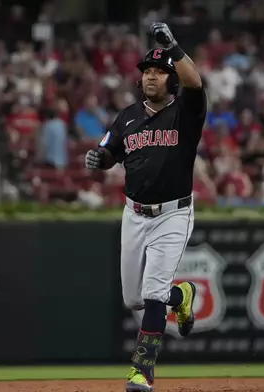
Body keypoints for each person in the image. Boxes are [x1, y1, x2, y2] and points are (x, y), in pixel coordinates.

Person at [85, 22, 206, 392]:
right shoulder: (127, 117)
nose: (152, 77)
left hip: (173, 212)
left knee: (152, 293)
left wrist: (173, 48)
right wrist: (99, 158)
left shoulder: (185, 112)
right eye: (147, 72)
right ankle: (181, 295)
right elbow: (110, 153)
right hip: (134, 213)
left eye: (159, 72)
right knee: (134, 298)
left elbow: (196, 84)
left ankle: (142, 371)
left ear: (171, 80)